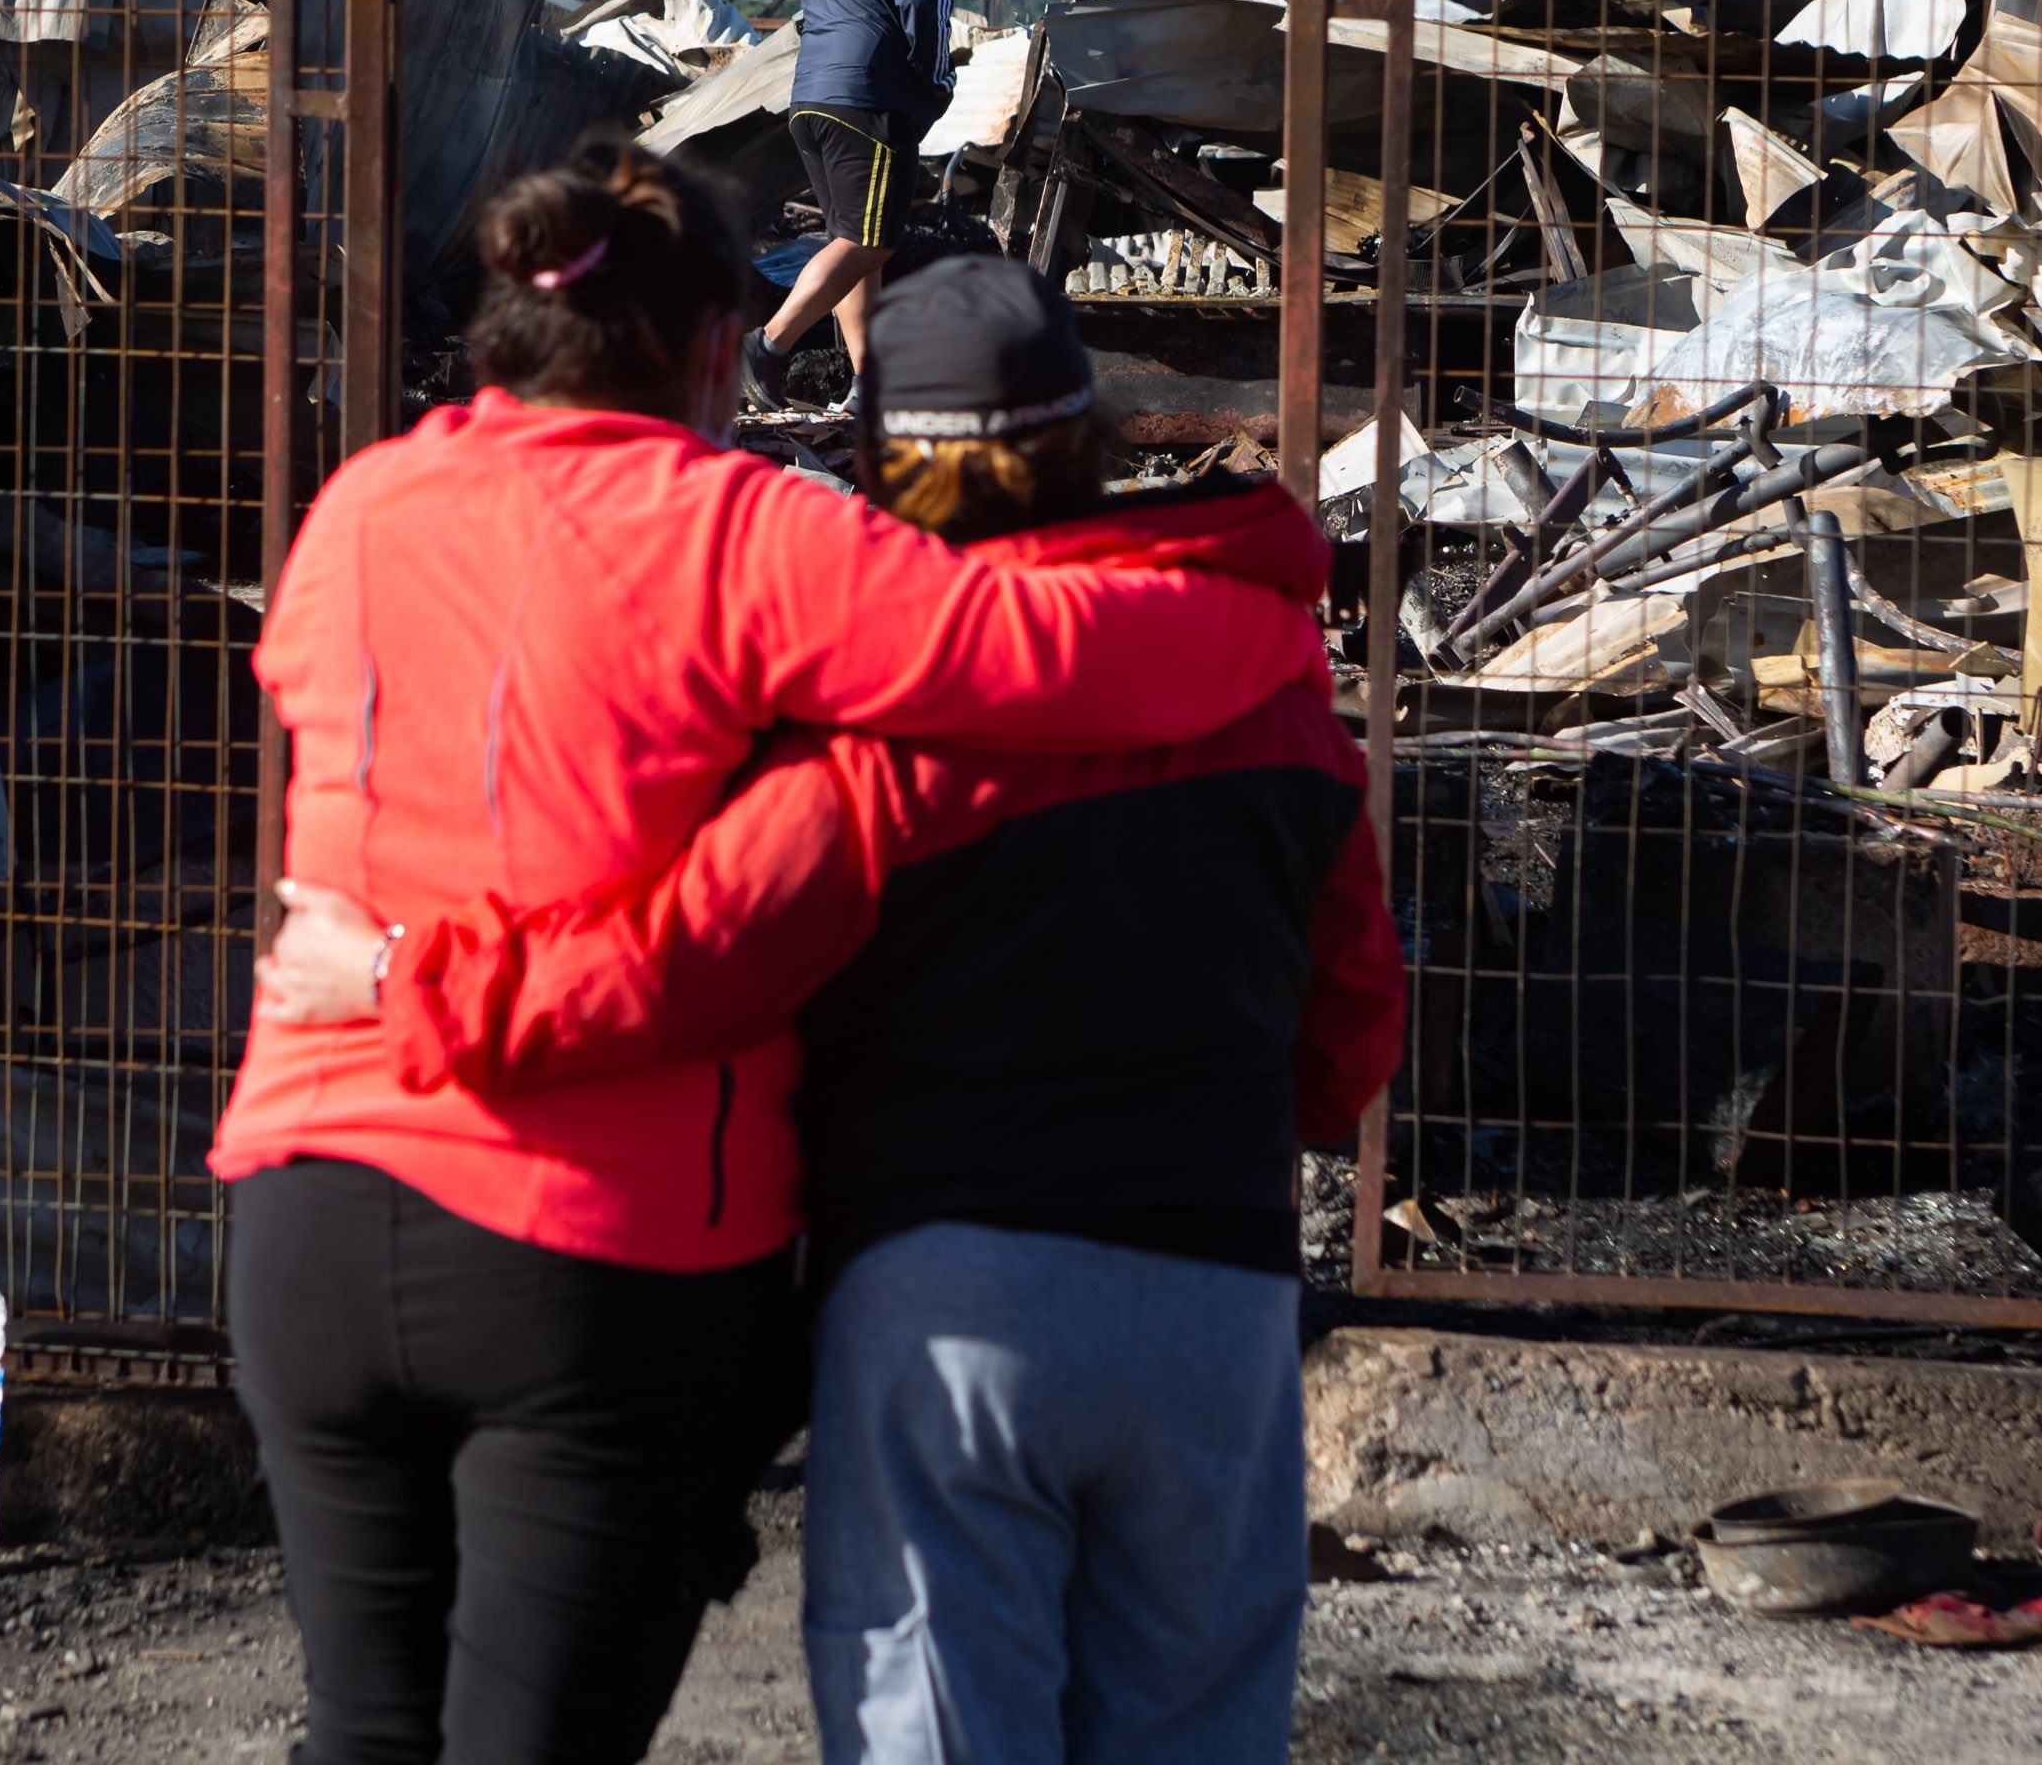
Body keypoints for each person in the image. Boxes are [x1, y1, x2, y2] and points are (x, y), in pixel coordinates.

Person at [213, 146, 1332, 1765]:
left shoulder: (363, 506)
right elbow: (1027, 648)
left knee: (365, 1732)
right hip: (584, 1244)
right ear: (721, 343)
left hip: (304, 1203)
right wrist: (1263, 614)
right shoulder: (741, 529)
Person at [748, 0, 953, 405]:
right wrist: (938, 79)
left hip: (809, 100)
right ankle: (765, 347)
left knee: (852, 242)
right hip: (870, 101)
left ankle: (869, 385)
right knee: (871, 243)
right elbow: (924, 5)